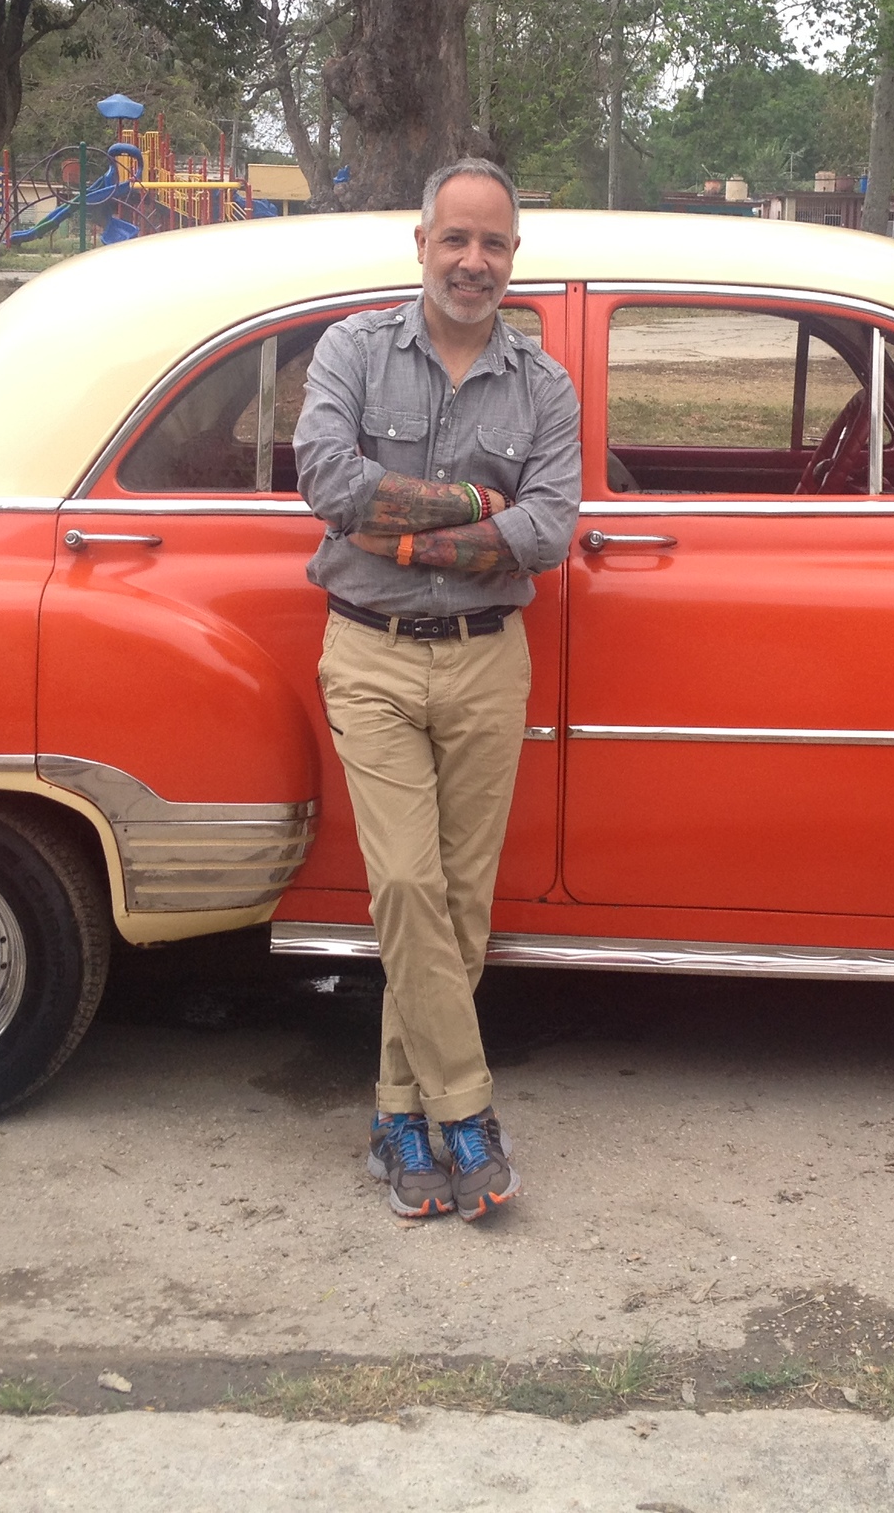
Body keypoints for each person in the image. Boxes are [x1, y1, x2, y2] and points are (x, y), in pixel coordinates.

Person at [293, 158, 580, 1221]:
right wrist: (470, 508)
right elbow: (328, 479)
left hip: (484, 659)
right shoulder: (354, 353)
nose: (473, 261)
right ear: (421, 244)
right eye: (454, 239)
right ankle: (464, 1110)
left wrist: (398, 526)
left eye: (493, 244)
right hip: (366, 652)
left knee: (461, 905)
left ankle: (392, 1114)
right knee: (407, 886)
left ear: (513, 257)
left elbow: (547, 529)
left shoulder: (543, 384)